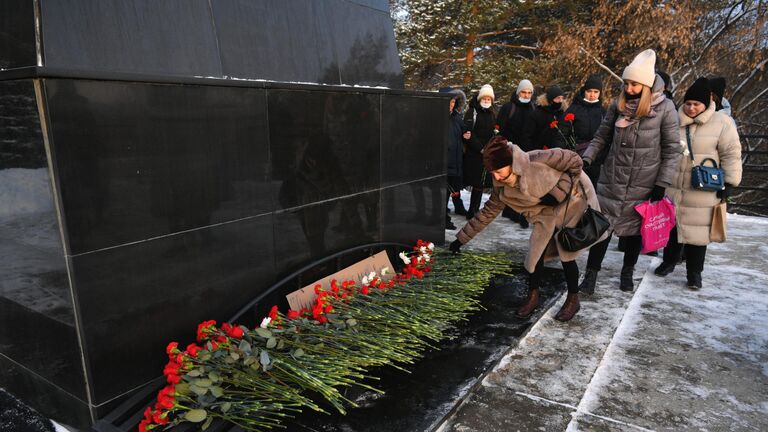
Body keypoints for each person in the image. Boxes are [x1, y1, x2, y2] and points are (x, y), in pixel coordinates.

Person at [449, 137, 606, 322]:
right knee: (535, 253)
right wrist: (460, 239)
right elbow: (486, 214)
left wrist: (559, 192)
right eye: (492, 173)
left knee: (567, 251)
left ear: (511, 164)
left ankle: (573, 299)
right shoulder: (501, 189)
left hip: (572, 202)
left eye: (499, 171)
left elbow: (573, 160)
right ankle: (533, 297)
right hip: (545, 214)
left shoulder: (537, 159)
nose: (496, 177)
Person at [579, 49, 682, 294]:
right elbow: (602, 136)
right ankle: (591, 275)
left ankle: (628, 272)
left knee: (634, 231)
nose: (628, 87)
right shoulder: (618, 104)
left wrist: (661, 183)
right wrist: (587, 158)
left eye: (634, 84)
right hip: (612, 178)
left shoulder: (665, 108)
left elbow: (672, 149)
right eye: (626, 83)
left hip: (643, 181)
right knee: (602, 228)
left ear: (645, 85)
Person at [653, 77, 742, 289]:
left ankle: (694, 272)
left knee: (698, 233)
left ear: (706, 104)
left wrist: (729, 182)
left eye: (696, 104)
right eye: (689, 103)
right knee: (672, 228)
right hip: (674, 184)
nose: (691, 108)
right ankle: (669, 261)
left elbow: (731, 153)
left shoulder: (722, 123)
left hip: (703, 188)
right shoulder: (674, 119)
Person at [497, 79, 537, 228]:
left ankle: (519, 212)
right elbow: (499, 128)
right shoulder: (508, 107)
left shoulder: (533, 108)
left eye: (529, 93)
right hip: (510, 150)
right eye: (523, 92)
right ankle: (510, 210)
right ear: (518, 92)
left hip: (527, 152)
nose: (526, 95)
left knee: (523, 182)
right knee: (510, 181)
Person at [462, 84, 497, 219]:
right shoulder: (473, 111)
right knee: (474, 181)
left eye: (489, 99)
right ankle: (470, 210)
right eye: (485, 98)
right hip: (474, 153)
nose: (487, 101)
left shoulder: (493, 112)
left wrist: (490, 147)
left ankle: (474, 209)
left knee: (481, 183)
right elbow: (469, 132)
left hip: (487, 152)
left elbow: (495, 131)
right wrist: (480, 148)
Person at [566, 74, 606, 186]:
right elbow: (563, 132)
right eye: (589, 91)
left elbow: (607, 135)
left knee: (592, 189)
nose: (592, 95)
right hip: (575, 156)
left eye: (596, 91)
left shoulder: (603, 112)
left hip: (595, 158)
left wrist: (602, 156)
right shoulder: (574, 109)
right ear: (584, 91)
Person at [440, 87, 468, 229]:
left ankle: (444, 217)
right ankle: (443, 219)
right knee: (442, 194)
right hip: (443, 162)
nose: (451, 105)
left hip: (455, 161)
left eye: (453, 102)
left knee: (448, 192)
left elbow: (463, 132)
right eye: (448, 102)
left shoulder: (457, 118)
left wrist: (466, 134)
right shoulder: (438, 118)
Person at [530, 85, 570, 150]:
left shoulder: (563, 113)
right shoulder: (538, 113)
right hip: (541, 151)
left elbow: (566, 134)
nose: (560, 101)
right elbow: (530, 134)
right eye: (557, 98)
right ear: (550, 99)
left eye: (562, 98)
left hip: (560, 152)